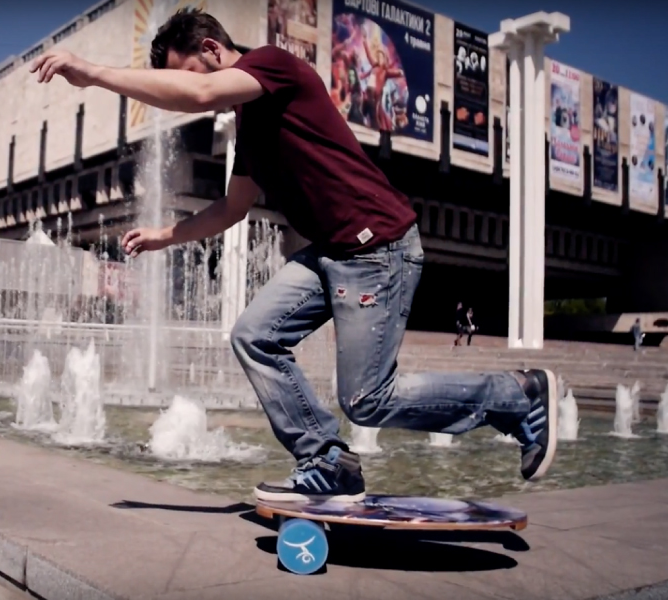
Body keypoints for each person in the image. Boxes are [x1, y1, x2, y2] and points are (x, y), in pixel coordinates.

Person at [30, 9, 558, 503]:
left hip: (379, 248)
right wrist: (165, 236)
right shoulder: (251, 126)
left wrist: (93, 72)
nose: (195, 92)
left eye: (188, 72)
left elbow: (202, 91)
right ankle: (327, 460)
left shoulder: (273, 65)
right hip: (332, 252)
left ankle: (517, 396)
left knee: (366, 400)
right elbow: (232, 209)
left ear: (213, 49)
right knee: (253, 336)